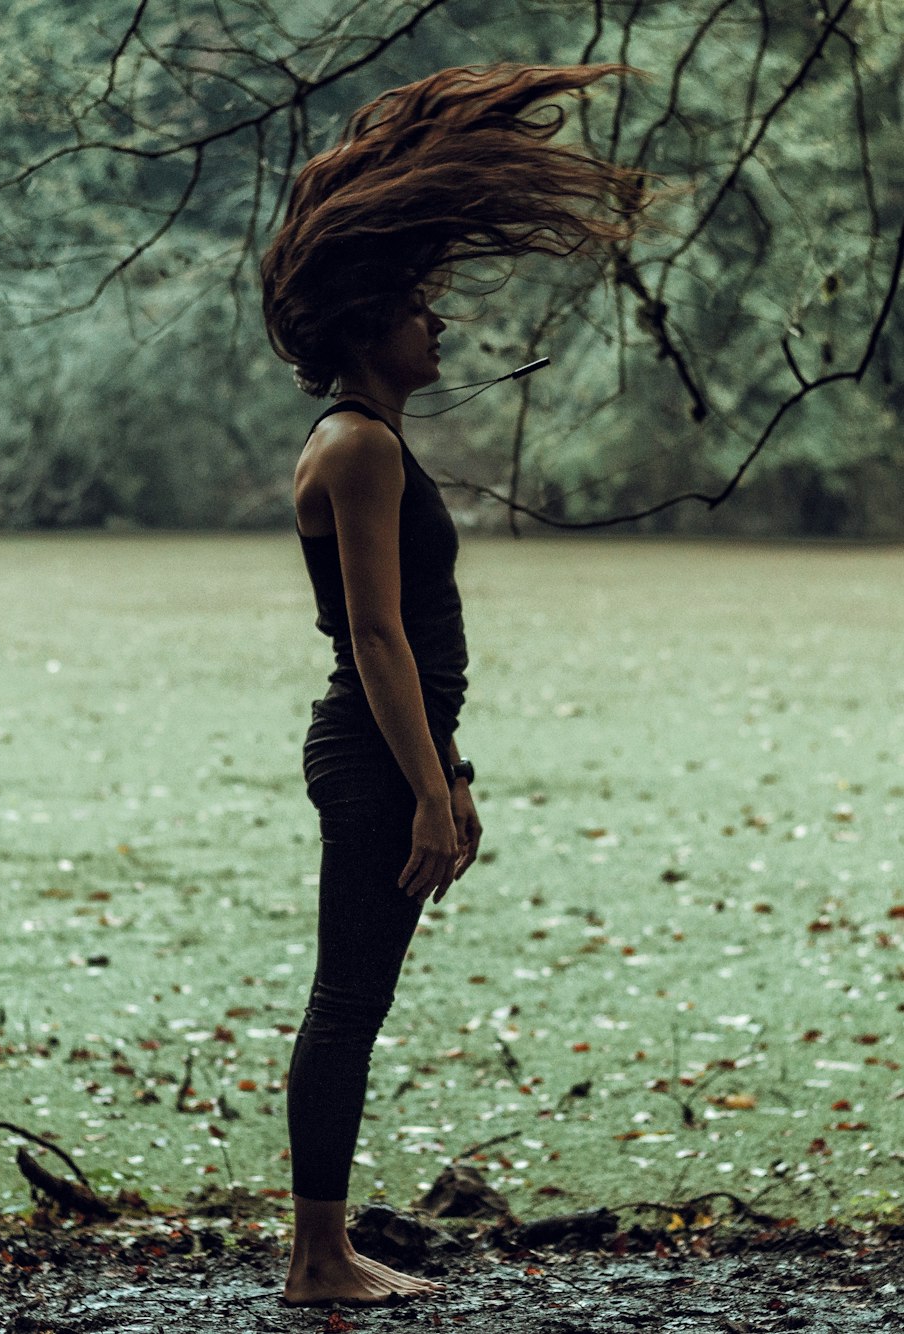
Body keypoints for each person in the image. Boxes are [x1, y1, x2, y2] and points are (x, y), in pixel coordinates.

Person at [260, 62, 646, 1307]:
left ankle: (324, 1249)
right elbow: (376, 637)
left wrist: (454, 772)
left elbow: (410, 643)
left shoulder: (368, 436)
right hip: (372, 753)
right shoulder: (359, 445)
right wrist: (426, 791)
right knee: (346, 997)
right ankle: (318, 1258)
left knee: (353, 995)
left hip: (398, 750)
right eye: (423, 309)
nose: (445, 327)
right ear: (372, 323)